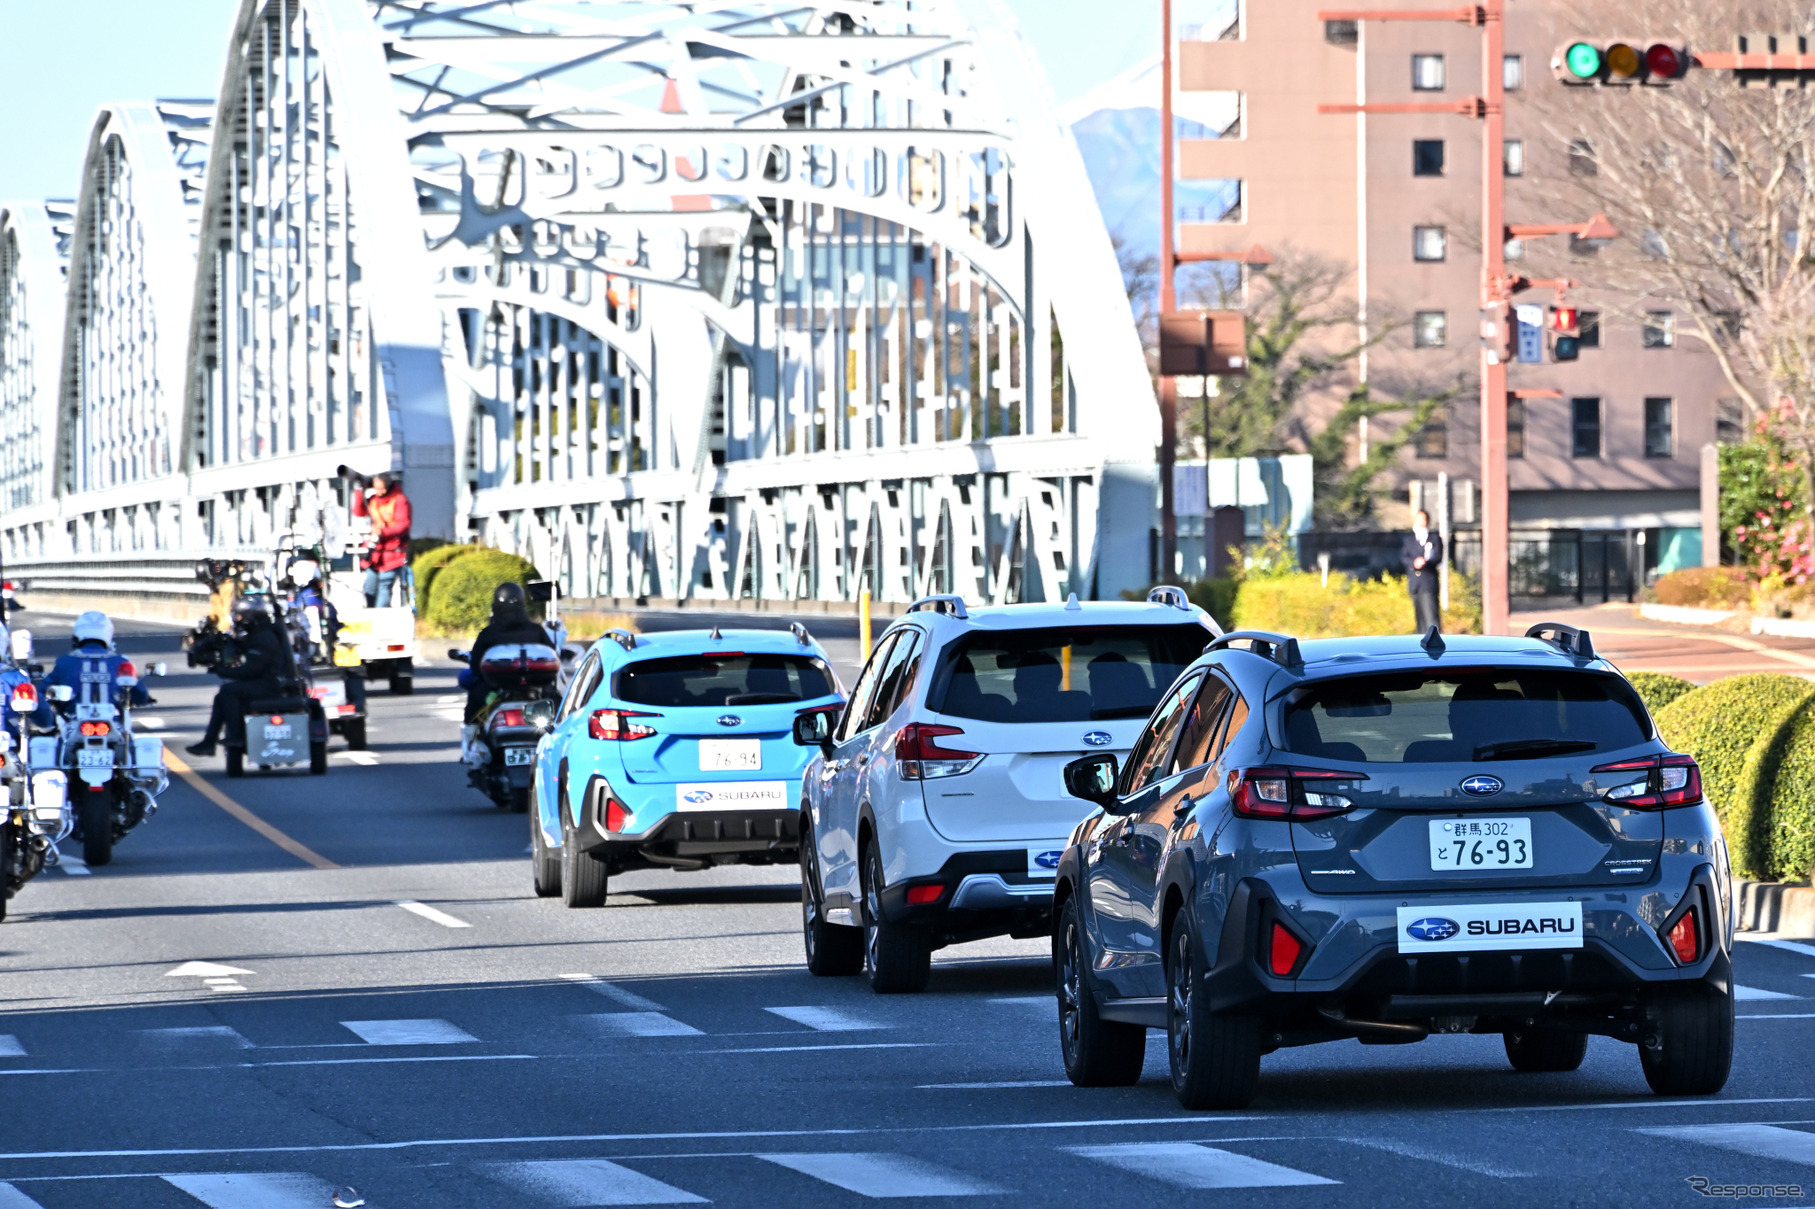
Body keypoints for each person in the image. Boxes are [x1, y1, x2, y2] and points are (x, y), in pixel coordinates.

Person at [460, 582, 553, 763]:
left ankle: (471, 748)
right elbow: (552, 656)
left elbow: (476, 666)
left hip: (496, 693)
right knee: (560, 708)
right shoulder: (536, 631)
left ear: (496, 605)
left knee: (474, 704)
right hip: (536, 692)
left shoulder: (489, 633)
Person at [185, 598, 289, 757]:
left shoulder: (264, 636)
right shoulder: (259, 632)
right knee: (222, 695)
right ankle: (209, 742)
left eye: (240, 616)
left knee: (228, 691)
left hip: (269, 685)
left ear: (249, 616)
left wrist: (223, 671)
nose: (237, 619)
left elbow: (252, 670)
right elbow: (246, 648)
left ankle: (235, 736)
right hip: (265, 682)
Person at [41, 612, 151, 721]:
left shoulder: (65, 662)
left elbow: (43, 691)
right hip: (113, 723)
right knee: (129, 736)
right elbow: (140, 696)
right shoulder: (121, 662)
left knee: (53, 736)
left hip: (74, 723)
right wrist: (143, 699)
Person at [351, 472, 411, 608]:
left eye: (382, 488)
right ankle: (371, 614)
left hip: (392, 553)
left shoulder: (400, 500)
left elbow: (403, 525)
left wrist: (384, 532)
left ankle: (380, 618)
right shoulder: (373, 501)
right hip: (374, 554)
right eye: (376, 489)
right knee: (369, 587)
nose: (379, 492)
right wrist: (360, 490)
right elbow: (358, 511)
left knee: (384, 585)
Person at [1401, 508, 1445, 636]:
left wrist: (1426, 562)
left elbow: (1438, 557)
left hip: (1428, 582)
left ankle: (1435, 642)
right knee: (1419, 618)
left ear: (1428, 521)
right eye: (1418, 519)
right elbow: (1404, 557)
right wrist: (1414, 562)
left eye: (1423, 519)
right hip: (1415, 583)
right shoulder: (1409, 540)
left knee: (1431, 617)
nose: (1421, 522)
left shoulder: (1434, 538)